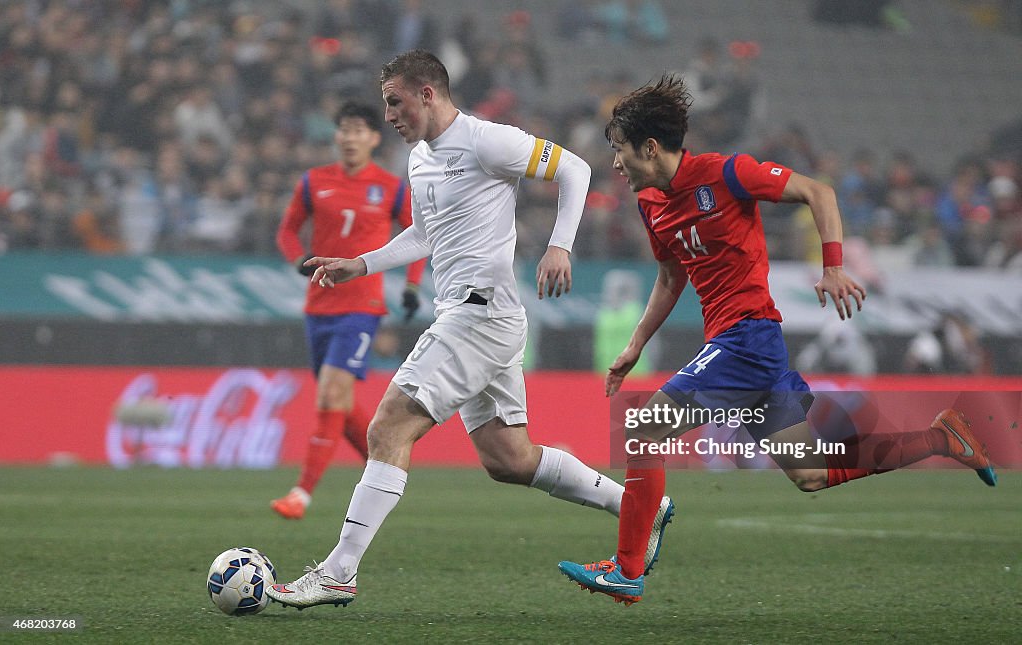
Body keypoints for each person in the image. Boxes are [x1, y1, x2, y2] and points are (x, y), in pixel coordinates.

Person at [557, 75, 997, 605]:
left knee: (644, 429)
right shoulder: (652, 202)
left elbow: (819, 191)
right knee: (812, 473)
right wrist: (635, 344)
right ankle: (943, 439)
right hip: (743, 349)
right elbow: (672, 277)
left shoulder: (726, 173)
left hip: (747, 339)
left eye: (621, 151)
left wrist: (833, 266)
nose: (616, 164)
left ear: (650, 147)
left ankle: (627, 570)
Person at [266, 50, 672, 610]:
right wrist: (359, 263)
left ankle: (339, 572)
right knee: (509, 459)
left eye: (394, 101)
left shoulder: (486, 140)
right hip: (480, 317)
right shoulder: (421, 158)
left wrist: (560, 245)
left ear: (427, 94)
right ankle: (637, 504)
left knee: (388, 427)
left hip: (478, 317)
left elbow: (575, 169)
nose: (389, 116)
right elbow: (423, 236)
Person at [270, 101, 426, 520]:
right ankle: (385, 470)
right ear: (335, 136)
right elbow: (286, 230)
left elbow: (418, 235)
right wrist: (297, 259)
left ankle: (301, 494)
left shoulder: (391, 187)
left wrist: (412, 285)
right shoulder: (314, 182)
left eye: (359, 130)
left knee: (331, 393)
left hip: (362, 305)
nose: (350, 137)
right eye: (344, 129)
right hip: (319, 306)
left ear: (374, 138)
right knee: (341, 403)